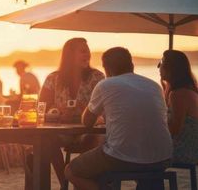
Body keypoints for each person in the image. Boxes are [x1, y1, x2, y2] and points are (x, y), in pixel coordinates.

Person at [65, 47, 173, 190]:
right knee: (143, 169)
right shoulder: (154, 86)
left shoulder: (105, 85)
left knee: (71, 171)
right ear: (132, 65)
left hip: (121, 157)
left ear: (107, 69)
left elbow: (87, 122)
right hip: (163, 157)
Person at [26, 38, 105, 190]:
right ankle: (64, 181)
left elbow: (104, 109)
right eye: (83, 51)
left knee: (94, 139)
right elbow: (41, 108)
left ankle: (78, 179)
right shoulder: (53, 78)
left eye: (88, 52)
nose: (87, 55)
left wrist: (83, 109)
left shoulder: (97, 77)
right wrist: (57, 111)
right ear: (69, 55)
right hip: (61, 130)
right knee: (47, 140)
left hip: (89, 129)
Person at [158, 50, 198, 164]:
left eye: (161, 63)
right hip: (190, 149)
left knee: (141, 154)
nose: (159, 68)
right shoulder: (187, 89)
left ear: (171, 68)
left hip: (185, 152)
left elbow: (175, 129)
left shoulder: (179, 94)